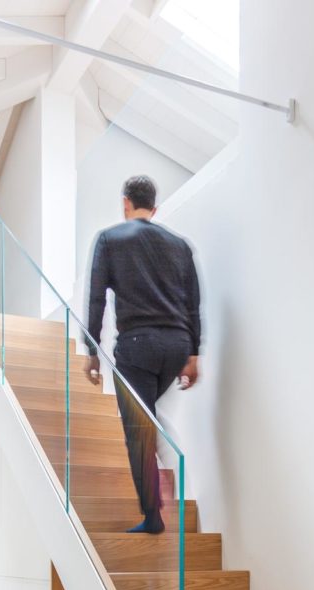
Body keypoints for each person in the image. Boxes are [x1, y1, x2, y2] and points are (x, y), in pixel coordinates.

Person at [85, 175, 200, 534]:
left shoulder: (109, 239)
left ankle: (153, 516)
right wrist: (193, 354)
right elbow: (193, 304)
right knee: (145, 414)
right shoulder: (179, 245)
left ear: (125, 203)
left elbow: (96, 299)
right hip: (177, 346)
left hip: (137, 347)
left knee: (137, 430)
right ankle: (165, 458)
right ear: (155, 207)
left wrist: (91, 350)